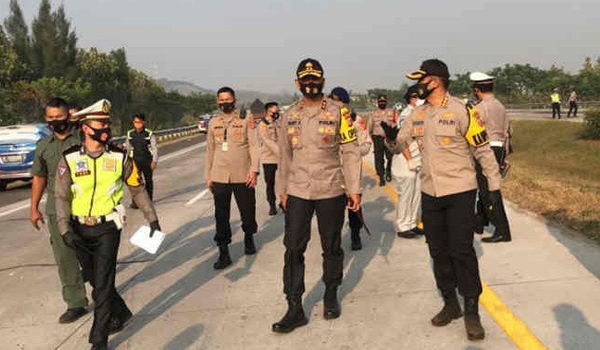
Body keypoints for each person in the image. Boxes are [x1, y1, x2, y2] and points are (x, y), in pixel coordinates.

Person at [383, 59, 502, 341]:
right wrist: (390, 139)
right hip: (430, 192)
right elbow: (400, 143)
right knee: (437, 250)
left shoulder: (463, 111)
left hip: (460, 190)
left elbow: (483, 150)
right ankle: (451, 303)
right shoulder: (418, 114)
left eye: (421, 80)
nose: (417, 85)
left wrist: (494, 188)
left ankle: (471, 308)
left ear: (434, 81)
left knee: (461, 250)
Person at [55, 99, 162, 350]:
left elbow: (137, 189)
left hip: (107, 229)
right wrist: (64, 229)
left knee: (102, 285)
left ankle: (99, 339)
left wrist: (152, 218)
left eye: (106, 123)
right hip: (79, 228)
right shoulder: (69, 158)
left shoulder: (120, 157)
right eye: (100, 124)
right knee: (93, 278)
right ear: (85, 128)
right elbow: (61, 196)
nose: (105, 128)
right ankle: (122, 312)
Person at [272, 58, 361, 333]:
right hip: (298, 190)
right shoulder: (289, 115)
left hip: (330, 188)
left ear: (322, 81)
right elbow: (284, 157)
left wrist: (354, 188)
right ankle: (294, 305)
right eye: (306, 80)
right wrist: (282, 191)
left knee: (331, 245)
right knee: (293, 248)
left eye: (315, 79)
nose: (311, 84)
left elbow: (350, 151)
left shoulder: (339, 112)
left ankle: (331, 293)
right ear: (298, 83)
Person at [30, 97, 88, 324]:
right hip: (56, 209)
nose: (55, 121)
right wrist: (34, 208)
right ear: (46, 119)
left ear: (68, 116)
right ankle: (75, 303)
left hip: (86, 205)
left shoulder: (85, 139)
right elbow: (39, 178)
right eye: (50, 118)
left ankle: (107, 300)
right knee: (65, 258)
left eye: (60, 117)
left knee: (94, 256)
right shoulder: (43, 147)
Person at [205, 87, 259, 270]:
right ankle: (223, 252)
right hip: (220, 175)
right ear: (218, 102)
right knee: (221, 216)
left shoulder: (245, 120)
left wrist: (254, 170)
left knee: (248, 212)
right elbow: (210, 150)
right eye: (221, 99)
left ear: (234, 100)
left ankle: (249, 237)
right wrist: (208, 175)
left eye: (227, 99)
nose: (224, 102)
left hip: (243, 175)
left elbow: (254, 146)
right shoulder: (213, 123)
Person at [470, 72, 512, 243]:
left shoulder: (478, 109)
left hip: (485, 150)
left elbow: (472, 132)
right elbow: (508, 130)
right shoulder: (500, 106)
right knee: (484, 187)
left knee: (489, 191)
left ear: (477, 89)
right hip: (499, 148)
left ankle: (502, 230)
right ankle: (479, 221)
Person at [330, 86, 371, 250]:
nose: (335, 104)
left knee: (354, 204)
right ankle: (334, 238)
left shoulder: (355, 120)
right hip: (332, 169)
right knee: (333, 207)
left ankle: (355, 235)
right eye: (332, 101)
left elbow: (367, 144)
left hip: (351, 169)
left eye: (338, 101)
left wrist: (353, 151)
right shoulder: (324, 120)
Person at [389, 85, 424, 239]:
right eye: (419, 97)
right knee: (406, 194)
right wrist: (409, 159)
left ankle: (411, 223)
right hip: (406, 160)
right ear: (413, 98)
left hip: (418, 159)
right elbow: (402, 140)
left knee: (416, 194)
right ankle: (403, 226)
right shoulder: (407, 114)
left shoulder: (420, 113)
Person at [125, 113, 158, 207]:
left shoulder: (149, 133)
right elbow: (127, 148)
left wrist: (154, 161)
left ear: (143, 122)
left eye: (139, 122)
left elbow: (154, 148)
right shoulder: (130, 134)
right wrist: (127, 161)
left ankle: (149, 200)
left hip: (147, 161)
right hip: (135, 161)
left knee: (148, 181)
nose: (137, 124)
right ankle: (135, 202)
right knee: (135, 182)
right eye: (135, 122)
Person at [367, 94, 397, 186]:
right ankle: (381, 176)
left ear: (386, 102)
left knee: (390, 157)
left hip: (389, 139)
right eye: (380, 102)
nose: (382, 103)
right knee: (378, 159)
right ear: (377, 102)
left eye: (383, 101)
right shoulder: (373, 114)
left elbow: (396, 125)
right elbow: (369, 128)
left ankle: (388, 171)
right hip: (378, 139)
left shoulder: (392, 112)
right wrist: (372, 139)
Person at [258, 102, 281, 215]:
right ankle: (272, 205)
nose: (277, 112)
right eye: (275, 110)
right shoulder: (263, 124)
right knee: (270, 183)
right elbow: (267, 140)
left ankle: (283, 201)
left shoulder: (278, 122)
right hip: (269, 158)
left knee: (283, 181)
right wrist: (280, 152)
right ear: (268, 110)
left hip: (281, 158)